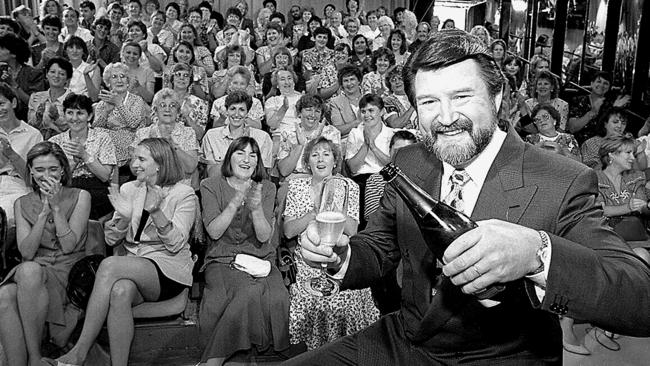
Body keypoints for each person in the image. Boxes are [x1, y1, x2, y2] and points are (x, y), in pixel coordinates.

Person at [286, 29, 650, 365]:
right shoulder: (410, 160)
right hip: (405, 339)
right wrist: (342, 256)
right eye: (428, 102)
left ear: (497, 96)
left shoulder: (562, 179)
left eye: (461, 96)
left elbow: (639, 298)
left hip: (502, 354)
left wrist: (537, 255)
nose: (445, 117)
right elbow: (380, 246)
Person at [50, 138, 196, 366]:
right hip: (132, 265)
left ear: (160, 163)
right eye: (133, 158)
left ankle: (79, 351)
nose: (134, 164)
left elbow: (176, 244)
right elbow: (111, 238)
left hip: (168, 269)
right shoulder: (129, 189)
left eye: (141, 159)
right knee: (120, 292)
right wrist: (124, 219)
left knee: (109, 265)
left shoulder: (183, 193)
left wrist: (156, 211)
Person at [199, 136, 288, 365]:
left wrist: (256, 209)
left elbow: (263, 236)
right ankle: (216, 360)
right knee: (248, 291)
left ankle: (240, 357)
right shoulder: (210, 185)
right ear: (230, 157)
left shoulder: (267, 187)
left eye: (253, 154)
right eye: (241, 153)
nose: (247, 159)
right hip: (222, 257)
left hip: (259, 257)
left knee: (276, 296)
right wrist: (235, 201)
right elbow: (214, 232)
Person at [283, 137, 379, 350]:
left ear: (335, 160)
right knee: (317, 298)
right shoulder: (297, 186)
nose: (320, 159)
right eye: (315, 154)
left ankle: (348, 350)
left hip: (341, 254)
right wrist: (316, 210)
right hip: (308, 257)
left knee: (349, 295)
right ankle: (317, 352)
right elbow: (289, 231)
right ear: (308, 161)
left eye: (326, 154)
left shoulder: (349, 186)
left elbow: (353, 230)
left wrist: (335, 199)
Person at [0, 141, 90, 366]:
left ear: (62, 170)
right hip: (34, 270)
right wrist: (42, 215)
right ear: (30, 171)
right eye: (39, 169)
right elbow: (27, 252)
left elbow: (69, 245)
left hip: (66, 270)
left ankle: (33, 357)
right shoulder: (21, 203)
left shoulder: (81, 196)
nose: (46, 175)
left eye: (52, 169)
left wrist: (56, 208)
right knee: (10, 290)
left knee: (14, 287)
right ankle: (27, 360)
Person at [50, 93, 116, 220]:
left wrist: (84, 155)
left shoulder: (102, 137)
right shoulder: (55, 141)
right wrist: (73, 162)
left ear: (89, 116)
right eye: (70, 113)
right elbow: (54, 178)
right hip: (67, 187)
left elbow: (105, 176)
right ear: (64, 114)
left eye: (80, 113)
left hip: (97, 188)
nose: (74, 118)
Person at [132, 88, 199, 188]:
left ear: (178, 110)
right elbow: (134, 169)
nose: (167, 109)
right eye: (162, 105)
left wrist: (173, 146)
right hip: (149, 186)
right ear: (155, 109)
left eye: (172, 106)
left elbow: (190, 168)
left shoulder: (188, 133)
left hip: (179, 188)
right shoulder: (143, 133)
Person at [94, 62, 150, 179]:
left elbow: (133, 123)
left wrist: (118, 104)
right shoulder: (102, 103)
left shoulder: (137, 100)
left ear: (128, 81)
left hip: (132, 142)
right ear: (108, 82)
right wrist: (106, 111)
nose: (119, 80)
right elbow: (96, 129)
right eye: (114, 77)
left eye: (122, 76)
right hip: (109, 143)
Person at [0, 83, 44, 230]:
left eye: (1, 104)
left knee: (4, 215)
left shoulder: (33, 135)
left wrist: (11, 154)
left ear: (13, 102)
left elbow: (35, 180)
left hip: (17, 186)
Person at [201, 91, 273, 177]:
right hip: (220, 186)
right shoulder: (212, 136)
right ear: (227, 111)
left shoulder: (263, 137)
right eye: (233, 109)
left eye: (241, 110)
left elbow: (262, 175)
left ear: (247, 113)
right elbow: (212, 174)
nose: (236, 114)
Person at [568, 71, 631, 144]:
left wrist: (615, 109)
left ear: (609, 88)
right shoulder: (579, 100)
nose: (601, 85)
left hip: (602, 144)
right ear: (591, 84)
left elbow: (613, 129)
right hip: (578, 143)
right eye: (599, 81)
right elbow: (572, 128)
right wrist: (592, 112)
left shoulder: (610, 105)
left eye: (605, 83)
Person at [581, 107, 645, 170]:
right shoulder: (592, 143)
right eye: (615, 122)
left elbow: (641, 169)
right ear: (605, 124)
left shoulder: (628, 143)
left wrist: (639, 151)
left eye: (623, 123)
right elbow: (592, 170)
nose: (620, 126)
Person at [0, 33, 46, 122]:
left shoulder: (33, 74)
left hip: (26, 121)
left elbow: (35, 104)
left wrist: (14, 84)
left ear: (13, 54)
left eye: (2, 48)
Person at [27, 57, 73, 139]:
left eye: (61, 74)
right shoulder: (36, 97)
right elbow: (31, 126)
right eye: (52, 72)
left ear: (67, 78)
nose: (56, 76)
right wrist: (38, 116)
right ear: (46, 74)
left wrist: (56, 117)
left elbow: (74, 128)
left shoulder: (74, 99)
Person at [382, 65, 418, 129]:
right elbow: (395, 124)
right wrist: (413, 106)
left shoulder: (417, 95)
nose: (397, 82)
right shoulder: (388, 101)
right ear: (389, 85)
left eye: (400, 78)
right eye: (393, 80)